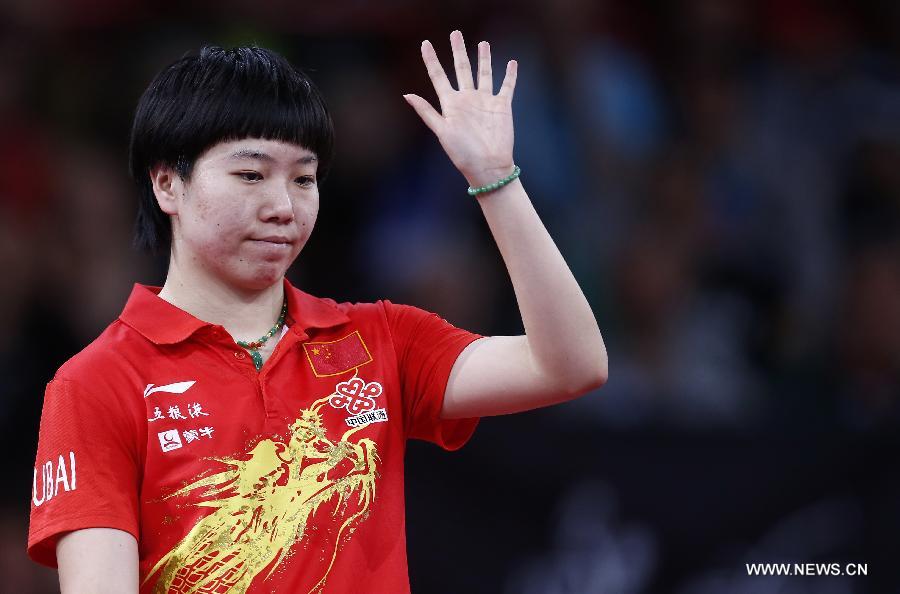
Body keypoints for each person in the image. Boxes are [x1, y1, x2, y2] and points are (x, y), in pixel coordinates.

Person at [27, 31, 607, 594]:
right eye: (250, 174)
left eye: (304, 178)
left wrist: (493, 180)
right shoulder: (96, 385)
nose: (283, 206)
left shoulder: (383, 339)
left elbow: (571, 365)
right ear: (167, 185)